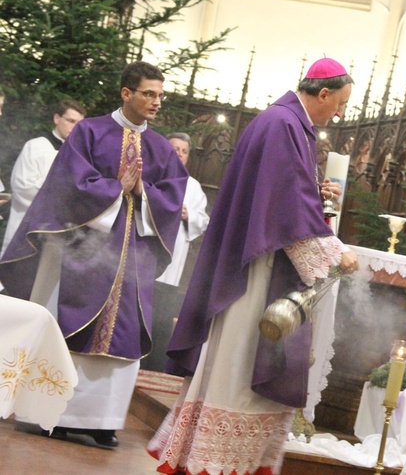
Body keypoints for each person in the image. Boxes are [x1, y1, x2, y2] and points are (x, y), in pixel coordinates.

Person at [147, 57, 359, 475]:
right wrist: (334, 253)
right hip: (255, 271)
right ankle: (218, 462)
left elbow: (285, 193)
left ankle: (222, 459)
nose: (340, 113)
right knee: (241, 362)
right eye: (340, 104)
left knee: (241, 361)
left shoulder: (287, 124)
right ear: (323, 94)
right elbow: (286, 205)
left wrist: (318, 193)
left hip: (257, 258)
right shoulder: (283, 126)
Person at [0, 61, 188, 448]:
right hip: (80, 254)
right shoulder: (90, 131)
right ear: (126, 93)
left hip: (132, 259)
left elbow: (173, 195)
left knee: (125, 336)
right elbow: (67, 184)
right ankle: (55, 415)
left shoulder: (159, 148)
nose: (156, 102)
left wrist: (144, 194)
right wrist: (114, 189)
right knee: (67, 325)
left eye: (159, 95)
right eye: (148, 93)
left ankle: (105, 420)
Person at [143, 132, 209, 372]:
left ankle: (153, 371)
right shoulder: (151, 176)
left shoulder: (194, 187)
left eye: (184, 151)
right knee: (140, 318)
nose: (180, 154)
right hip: (146, 262)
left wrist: (188, 215)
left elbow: (203, 220)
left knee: (161, 323)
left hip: (172, 267)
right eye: (175, 149)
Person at [1, 99, 87, 255]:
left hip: (57, 236)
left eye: (79, 124)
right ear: (56, 118)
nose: (74, 128)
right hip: (28, 230)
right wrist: (60, 198)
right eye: (70, 121)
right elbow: (22, 187)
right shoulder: (35, 146)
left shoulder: (78, 155)